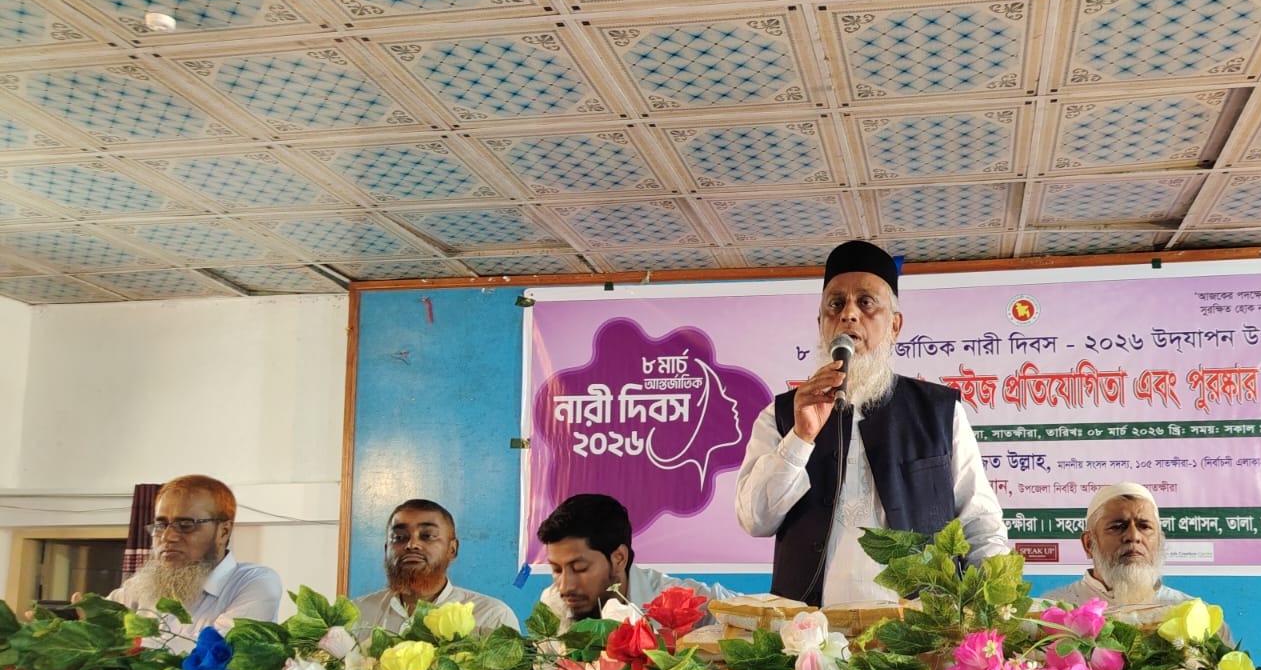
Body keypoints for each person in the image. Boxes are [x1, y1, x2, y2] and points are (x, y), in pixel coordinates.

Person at [734, 240, 1010, 606]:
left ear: (894, 325)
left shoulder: (940, 412)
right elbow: (755, 519)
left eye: (866, 302)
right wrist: (800, 437)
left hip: (919, 628)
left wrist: (993, 605)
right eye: (836, 304)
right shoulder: (782, 414)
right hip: (810, 631)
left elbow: (980, 524)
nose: (849, 314)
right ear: (821, 325)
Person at [109, 474, 282, 631]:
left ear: (223, 532)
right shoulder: (139, 589)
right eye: (161, 525)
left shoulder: (252, 582)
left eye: (186, 525)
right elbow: (99, 627)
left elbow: (215, 650)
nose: (167, 537)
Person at [536, 493, 722, 631]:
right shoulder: (552, 603)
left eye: (580, 568)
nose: (565, 586)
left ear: (619, 559)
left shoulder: (682, 601)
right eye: (557, 570)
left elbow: (736, 611)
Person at [1042, 482, 1206, 626]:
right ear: (1089, 543)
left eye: (1144, 526)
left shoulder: (1193, 614)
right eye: (1117, 526)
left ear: (1160, 541)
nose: (1133, 536)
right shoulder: (1052, 612)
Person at [354, 499, 521, 635]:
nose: (412, 545)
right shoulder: (357, 615)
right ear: (386, 549)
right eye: (399, 537)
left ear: (452, 549)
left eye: (427, 536)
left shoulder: (491, 618)